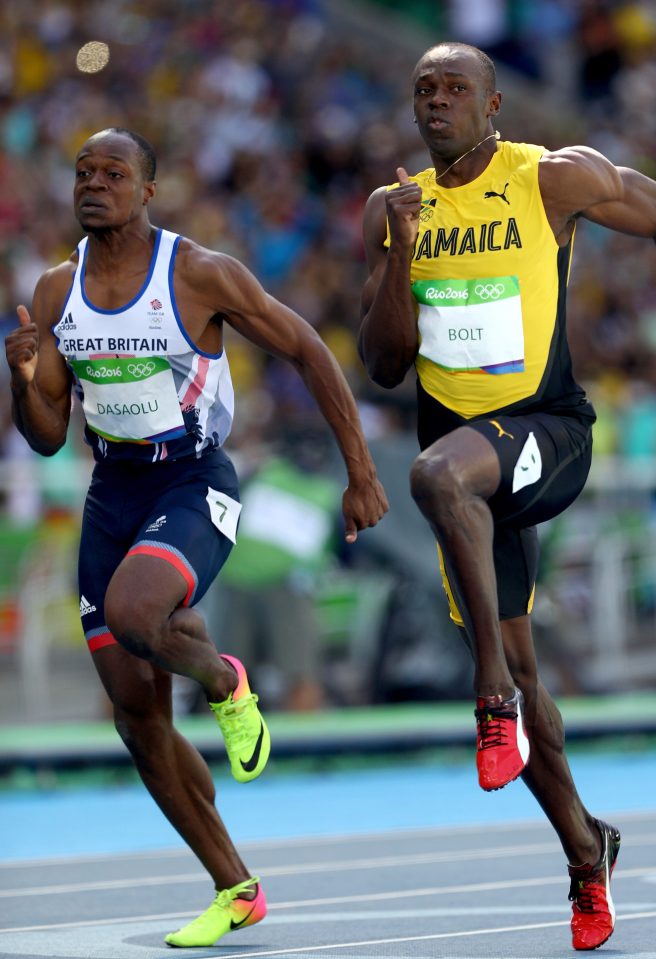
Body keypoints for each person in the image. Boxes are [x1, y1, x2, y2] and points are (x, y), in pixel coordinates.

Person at [358, 42, 656, 952]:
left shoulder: (551, 180)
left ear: (494, 104)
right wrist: (401, 251)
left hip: (546, 434)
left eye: (455, 88)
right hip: (468, 488)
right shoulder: (393, 207)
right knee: (535, 684)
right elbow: (380, 362)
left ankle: (483, 695)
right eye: (423, 91)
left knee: (435, 477)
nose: (436, 101)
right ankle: (584, 849)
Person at [5, 127, 388, 949]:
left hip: (192, 481)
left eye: (113, 173)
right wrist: (23, 375)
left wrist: (359, 471)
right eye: (82, 173)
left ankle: (223, 677)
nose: (93, 185)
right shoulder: (54, 289)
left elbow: (307, 348)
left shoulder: (196, 273)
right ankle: (235, 886)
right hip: (113, 491)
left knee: (137, 612)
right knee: (136, 719)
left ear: (149, 190)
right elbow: (44, 435)